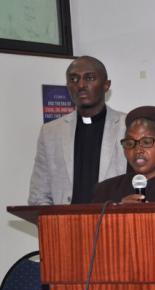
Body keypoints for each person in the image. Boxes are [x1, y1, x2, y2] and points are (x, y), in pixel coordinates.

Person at [28, 56, 126, 205]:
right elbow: (38, 195)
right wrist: (54, 225)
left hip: (113, 224)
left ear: (106, 85)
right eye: (73, 79)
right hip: (67, 225)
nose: (80, 85)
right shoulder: (50, 132)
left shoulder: (127, 126)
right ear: (67, 86)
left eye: (90, 78)